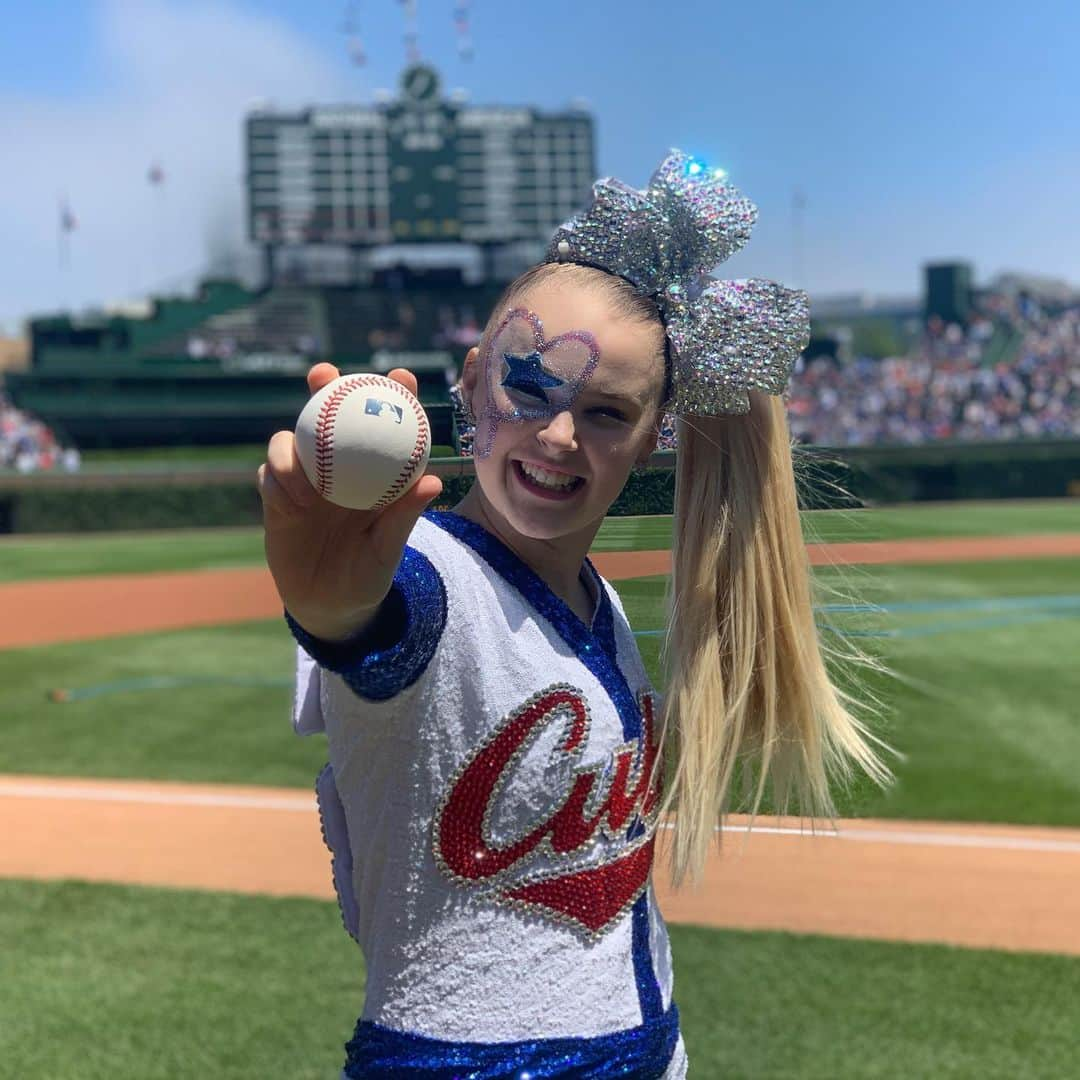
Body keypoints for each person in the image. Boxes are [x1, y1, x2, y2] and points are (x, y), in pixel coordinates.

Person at [258, 150, 892, 1079]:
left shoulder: (590, 599)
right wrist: (327, 598)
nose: (558, 435)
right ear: (473, 383)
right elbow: (374, 627)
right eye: (529, 385)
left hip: (646, 1046)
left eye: (605, 413)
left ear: (651, 437)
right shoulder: (427, 578)